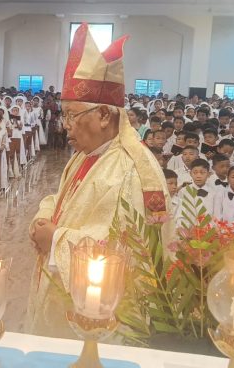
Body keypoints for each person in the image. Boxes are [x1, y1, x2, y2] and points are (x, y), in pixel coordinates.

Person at [26, 24, 169, 338]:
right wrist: (43, 219)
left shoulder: (133, 169)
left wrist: (57, 239)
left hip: (100, 315)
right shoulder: (88, 153)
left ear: (104, 115)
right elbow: (63, 199)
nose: (65, 127)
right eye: (64, 116)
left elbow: (126, 248)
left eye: (72, 116)